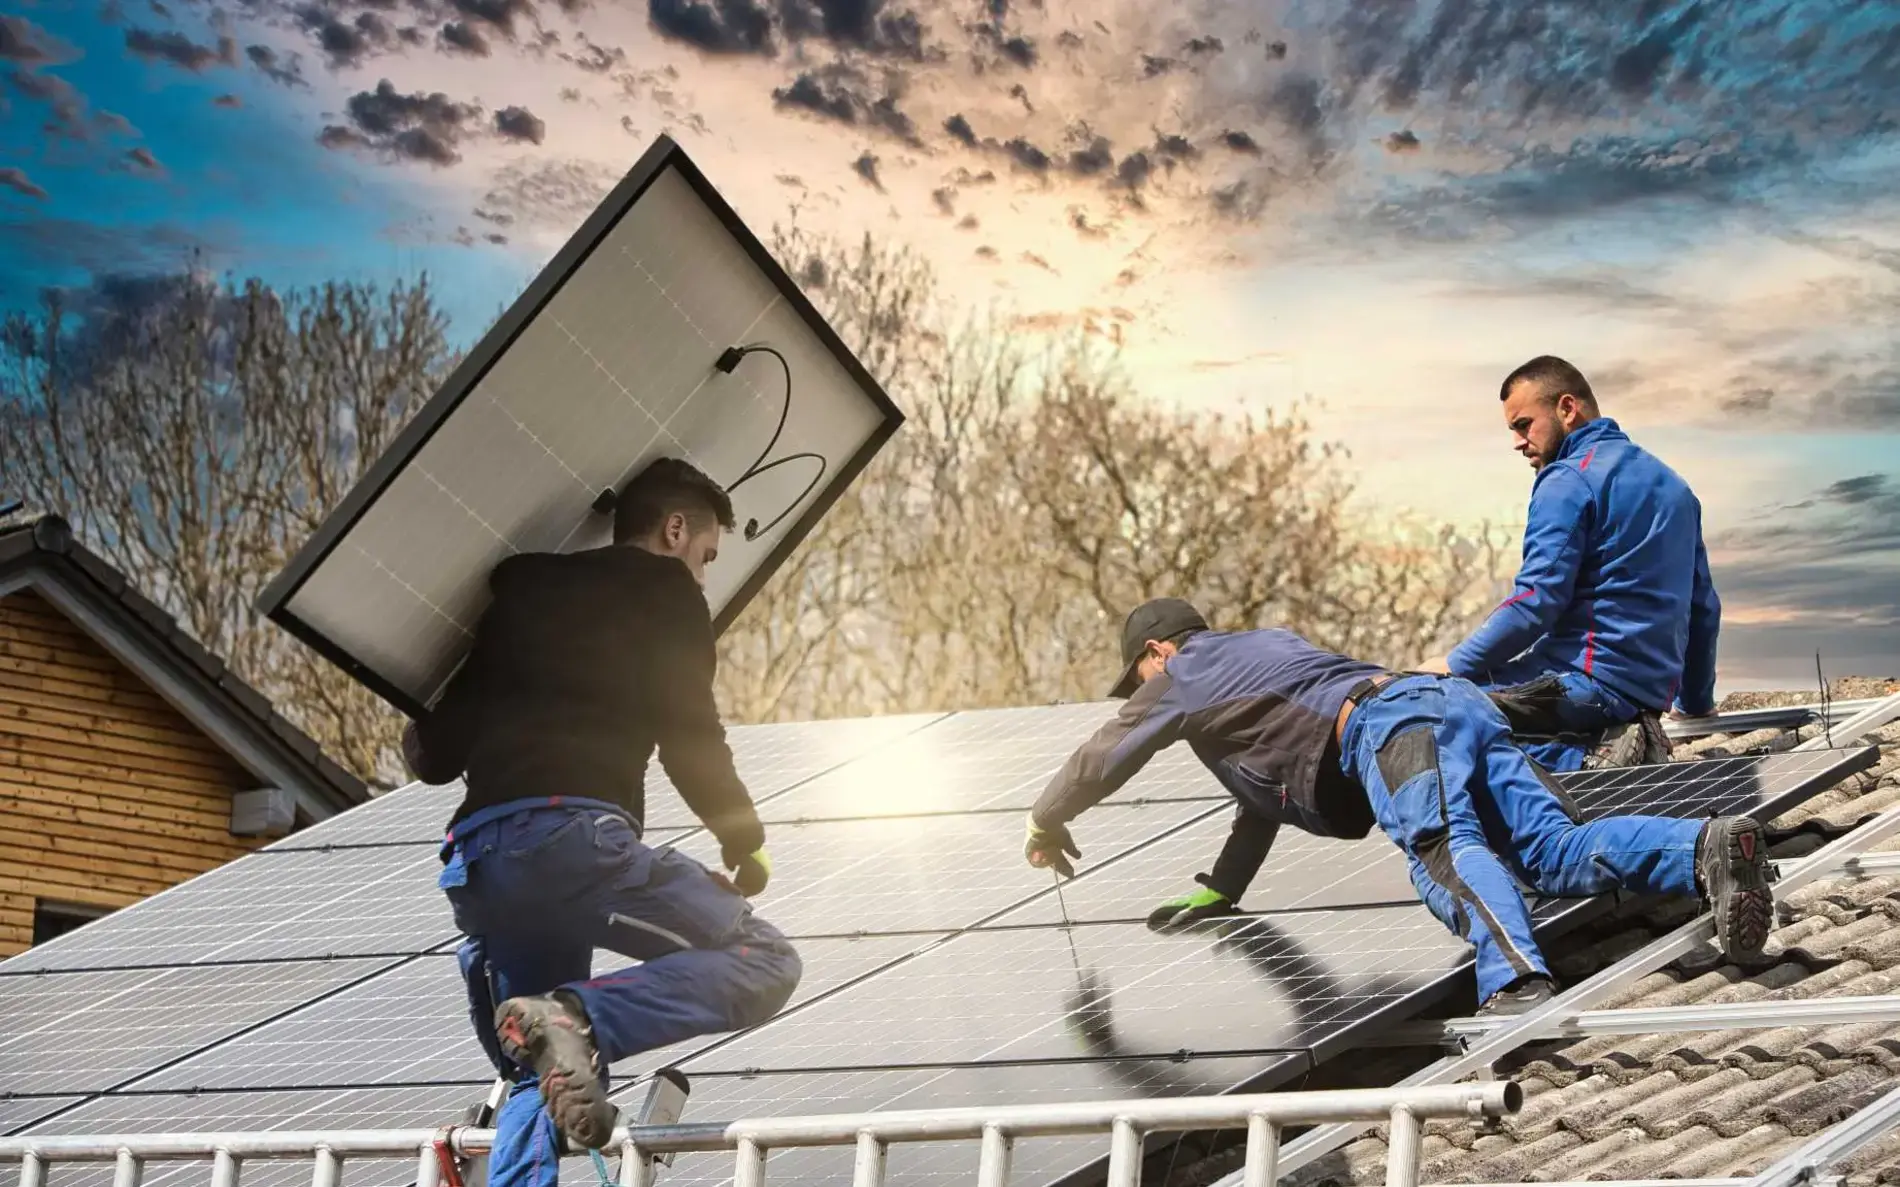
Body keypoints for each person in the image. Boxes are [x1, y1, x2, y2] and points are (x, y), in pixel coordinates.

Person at [1023, 598, 1773, 1016]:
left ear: (1158, 650)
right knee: (1550, 848)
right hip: (1454, 703)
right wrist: (1223, 887)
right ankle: (1704, 847)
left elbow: (1103, 754)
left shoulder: (1183, 676)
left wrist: (1044, 818)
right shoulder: (1264, 649)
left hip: (1393, 729)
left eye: (1142, 674)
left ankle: (1515, 980)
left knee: (1443, 852)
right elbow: (1263, 800)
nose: (1142, 689)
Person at [401, 457, 801, 1186]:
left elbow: (432, 754)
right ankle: (578, 1019)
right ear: (675, 529)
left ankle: (560, 1034)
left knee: (538, 1071)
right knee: (767, 961)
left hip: (480, 862)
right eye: (707, 555)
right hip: (574, 843)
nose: (705, 575)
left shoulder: (518, 601)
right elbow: (690, 735)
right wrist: (744, 838)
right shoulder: (669, 597)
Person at [1421, 355, 1723, 772]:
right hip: (1644, 693)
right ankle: (1608, 738)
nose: (1517, 442)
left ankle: (1583, 755)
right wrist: (1695, 706)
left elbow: (1535, 601)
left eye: (1524, 424)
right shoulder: (1674, 487)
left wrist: (1452, 666)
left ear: (1567, 408)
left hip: (1583, 684)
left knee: (1420, 709)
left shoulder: (1568, 479)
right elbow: (1703, 607)